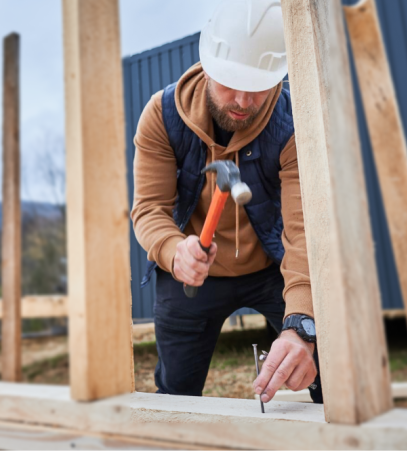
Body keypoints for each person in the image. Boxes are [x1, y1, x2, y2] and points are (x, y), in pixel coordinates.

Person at [130, 0, 322, 404]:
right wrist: (172, 249)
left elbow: (304, 230)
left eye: (257, 85)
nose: (242, 99)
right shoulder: (161, 117)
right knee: (176, 396)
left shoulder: (293, 122)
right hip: (191, 277)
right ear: (208, 64)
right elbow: (148, 210)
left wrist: (303, 323)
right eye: (230, 82)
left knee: (327, 370)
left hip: (272, 270)